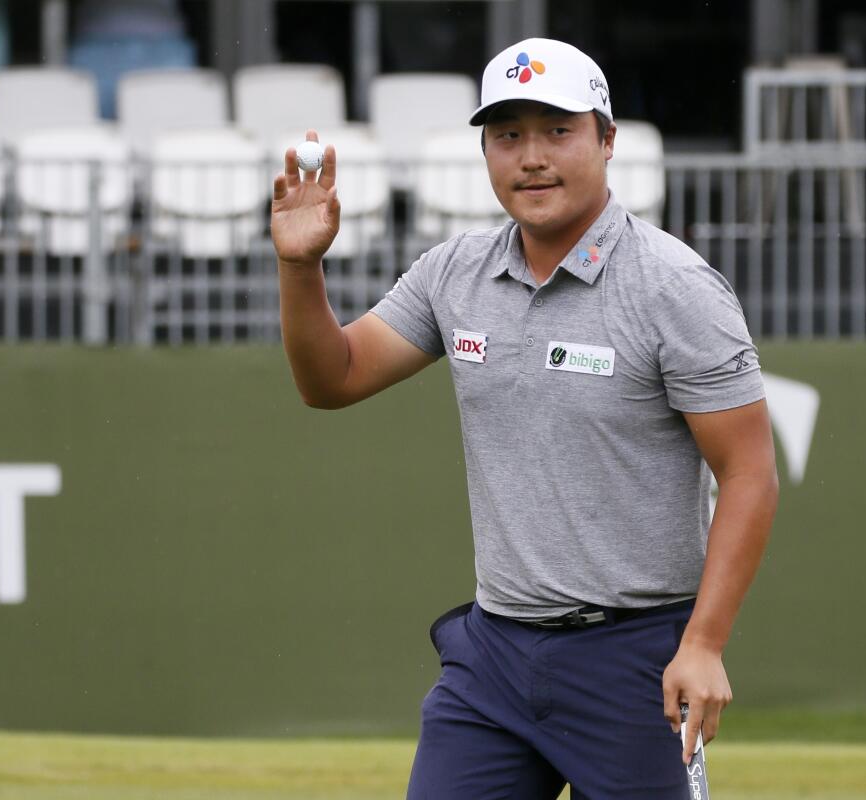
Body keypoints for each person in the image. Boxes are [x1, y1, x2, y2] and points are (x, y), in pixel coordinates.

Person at [271, 37, 779, 798]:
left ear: (607, 141)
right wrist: (300, 267)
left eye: (558, 131)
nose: (531, 157)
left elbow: (749, 473)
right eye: (508, 136)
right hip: (494, 659)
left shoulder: (676, 286)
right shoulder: (455, 272)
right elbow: (331, 378)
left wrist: (703, 644)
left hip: (634, 658)